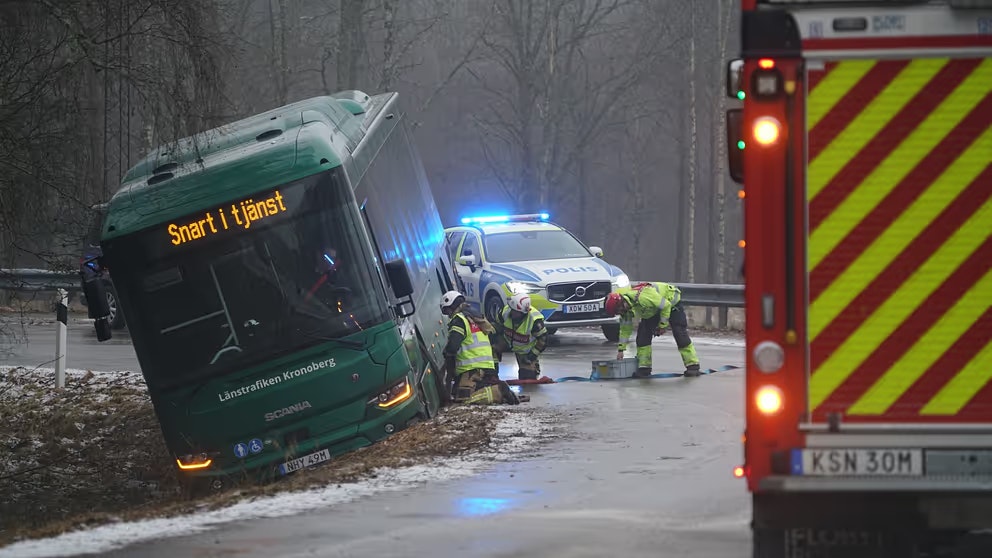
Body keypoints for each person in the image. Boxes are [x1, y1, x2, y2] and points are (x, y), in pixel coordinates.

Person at [604, 282, 701, 378]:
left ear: (620, 302)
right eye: (618, 312)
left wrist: (662, 325)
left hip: (671, 303)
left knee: (679, 333)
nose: (621, 312)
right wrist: (621, 350)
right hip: (653, 310)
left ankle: (693, 366)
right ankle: (644, 368)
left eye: (619, 310)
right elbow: (625, 330)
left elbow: (666, 305)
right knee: (642, 337)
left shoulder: (644, 297)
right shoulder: (626, 310)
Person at [440, 290, 520, 405]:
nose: (448, 314)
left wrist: (446, 354)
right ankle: (495, 389)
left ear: (451, 306)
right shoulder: (475, 317)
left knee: (464, 400)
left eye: (447, 311)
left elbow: (453, 346)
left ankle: (497, 391)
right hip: (487, 367)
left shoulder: (459, 320)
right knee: (462, 390)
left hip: (472, 369)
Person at [492, 293, 549, 380]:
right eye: (512, 309)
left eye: (515, 312)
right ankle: (492, 373)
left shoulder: (535, 321)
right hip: (506, 341)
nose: (512, 313)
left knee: (527, 377)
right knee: (491, 347)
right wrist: (495, 341)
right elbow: (496, 326)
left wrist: (531, 356)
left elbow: (543, 340)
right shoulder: (505, 312)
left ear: (523, 313)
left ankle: (532, 369)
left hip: (525, 351)